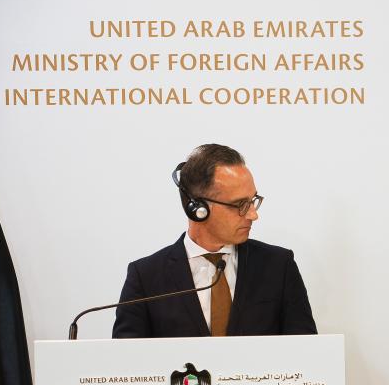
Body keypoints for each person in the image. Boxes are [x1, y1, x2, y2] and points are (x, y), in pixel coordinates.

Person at [112, 144, 316, 339]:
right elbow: (128, 363)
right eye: (239, 204)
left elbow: (306, 351)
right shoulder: (145, 277)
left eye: (253, 201)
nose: (253, 215)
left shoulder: (279, 266)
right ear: (198, 209)